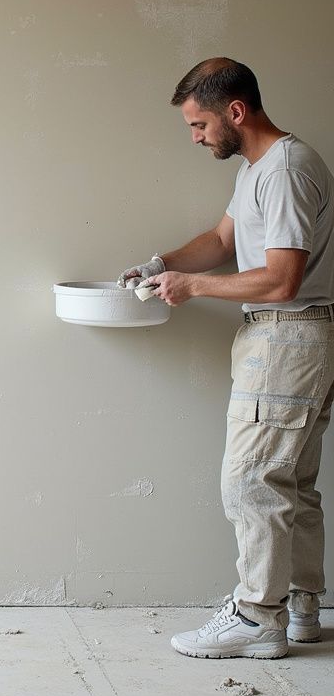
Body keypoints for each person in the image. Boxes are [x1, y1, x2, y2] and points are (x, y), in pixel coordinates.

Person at [119, 57, 333, 659]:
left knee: (251, 480)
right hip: (289, 338)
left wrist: (194, 289)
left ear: (235, 111)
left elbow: (282, 278)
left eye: (199, 125)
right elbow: (221, 241)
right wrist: (162, 265)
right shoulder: (257, 169)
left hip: (287, 337)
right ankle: (302, 609)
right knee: (294, 482)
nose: (196, 137)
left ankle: (256, 616)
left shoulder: (286, 170)